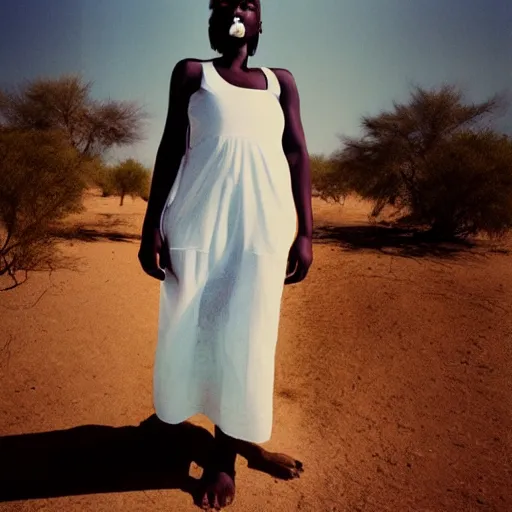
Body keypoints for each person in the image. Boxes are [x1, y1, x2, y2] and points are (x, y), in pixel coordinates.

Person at [138, 0, 313, 508]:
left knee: (247, 334)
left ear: (260, 22)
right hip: (198, 222)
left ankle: (225, 457)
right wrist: (151, 225)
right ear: (212, 21)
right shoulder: (194, 74)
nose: (237, 8)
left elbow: (297, 151)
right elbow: (171, 145)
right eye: (225, 2)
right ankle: (184, 419)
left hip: (261, 228)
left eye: (248, 3)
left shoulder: (281, 82)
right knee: (194, 324)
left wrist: (306, 232)